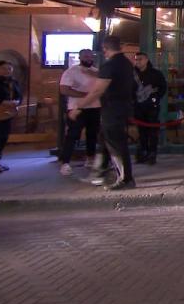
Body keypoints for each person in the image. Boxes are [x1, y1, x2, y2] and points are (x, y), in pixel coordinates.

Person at [68, 36, 136, 191]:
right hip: (122, 107)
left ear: (105, 48)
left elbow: (98, 90)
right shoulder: (126, 63)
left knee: (116, 144)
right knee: (105, 140)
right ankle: (99, 173)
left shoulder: (109, 65)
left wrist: (79, 106)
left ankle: (126, 179)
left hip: (112, 109)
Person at [57, 49, 100, 176]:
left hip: (95, 107)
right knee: (72, 135)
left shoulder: (96, 72)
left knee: (92, 134)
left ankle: (90, 158)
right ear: (80, 57)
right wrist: (86, 95)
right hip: (77, 108)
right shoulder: (71, 72)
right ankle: (65, 163)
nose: (89, 58)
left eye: (91, 56)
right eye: (86, 56)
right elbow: (64, 90)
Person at [133, 52, 167, 165]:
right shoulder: (132, 74)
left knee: (153, 131)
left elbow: (163, 87)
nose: (138, 62)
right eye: (136, 59)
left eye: (140, 59)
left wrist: (155, 97)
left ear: (146, 59)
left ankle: (152, 154)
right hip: (138, 106)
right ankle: (142, 152)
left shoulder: (155, 74)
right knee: (141, 131)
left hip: (152, 106)